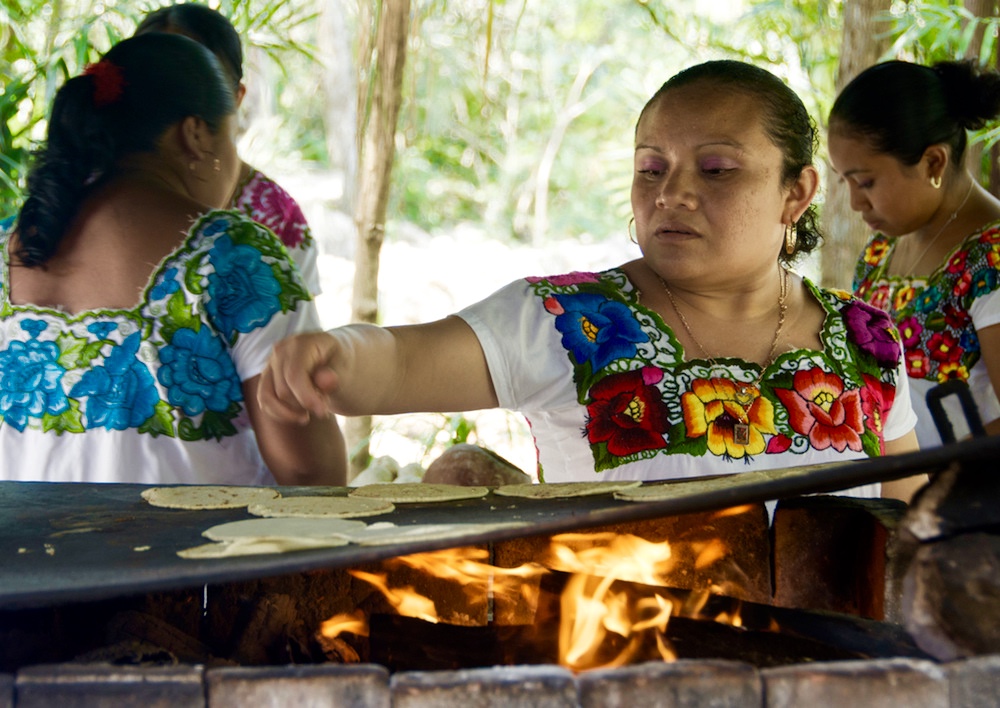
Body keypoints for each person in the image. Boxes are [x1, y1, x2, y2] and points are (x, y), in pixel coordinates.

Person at [258, 59, 920, 500]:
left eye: (717, 169)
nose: (674, 193)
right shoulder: (569, 321)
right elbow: (403, 361)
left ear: (795, 193)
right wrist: (335, 356)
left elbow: (902, 525)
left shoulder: (867, 340)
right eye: (652, 167)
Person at [0, 33, 346, 485]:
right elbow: (311, 473)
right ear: (195, 133)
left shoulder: (9, 241)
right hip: (198, 553)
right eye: (232, 133)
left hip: (23, 554)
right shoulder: (235, 257)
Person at [828, 59, 1000, 447]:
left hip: (964, 499)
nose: (856, 203)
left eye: (866, 182)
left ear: (933, 162)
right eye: (845, 183)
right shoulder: (881, 251)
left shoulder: (992, 259)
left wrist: (930, 479)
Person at [134, 3, 322, 295]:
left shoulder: (279, 221)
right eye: (159, 83)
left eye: (197, 86)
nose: (176, 107)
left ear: (236, 97)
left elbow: (297, 338)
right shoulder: (90, 197)